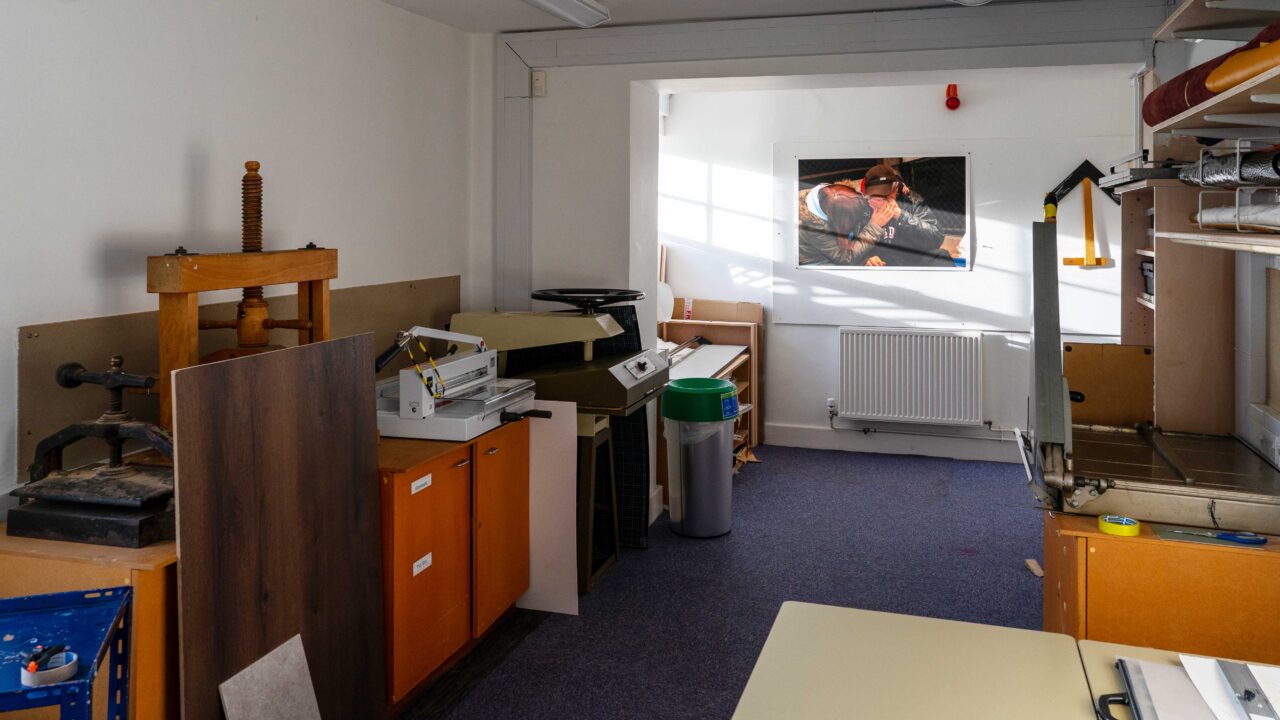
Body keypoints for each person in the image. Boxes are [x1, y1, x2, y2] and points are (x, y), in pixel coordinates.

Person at [855, 164, 954, 268]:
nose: (881, 198)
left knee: (942, 256)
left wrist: (900, 215)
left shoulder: (910, 201)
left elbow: (936, 238)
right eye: (876, 194)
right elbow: (846, 251)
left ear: (896, 188)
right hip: (882, 267)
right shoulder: (859, 208)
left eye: (886, 193)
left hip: (913, 261)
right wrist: (866, 260)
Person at [798, 182, 879, 266]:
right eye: (853, 216)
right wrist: (875, 226)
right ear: (842, 220)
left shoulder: (832, 197)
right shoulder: (813, 228)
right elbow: (845, 258)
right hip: (818, 262)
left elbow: (855, 203)